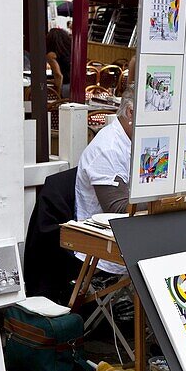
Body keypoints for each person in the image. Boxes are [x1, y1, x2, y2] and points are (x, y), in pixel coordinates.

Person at [73, 87, 134, 274]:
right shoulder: (108, 148)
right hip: (103, 249)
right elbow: (117, 209)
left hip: (130, 234)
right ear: (131, 111)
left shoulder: (131, 139)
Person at [46, 27, 73, 98]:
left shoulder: (51, 55)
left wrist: (57, 95)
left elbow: (58, 75)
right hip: (75, 86)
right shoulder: (70, 52)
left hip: (65, 87)